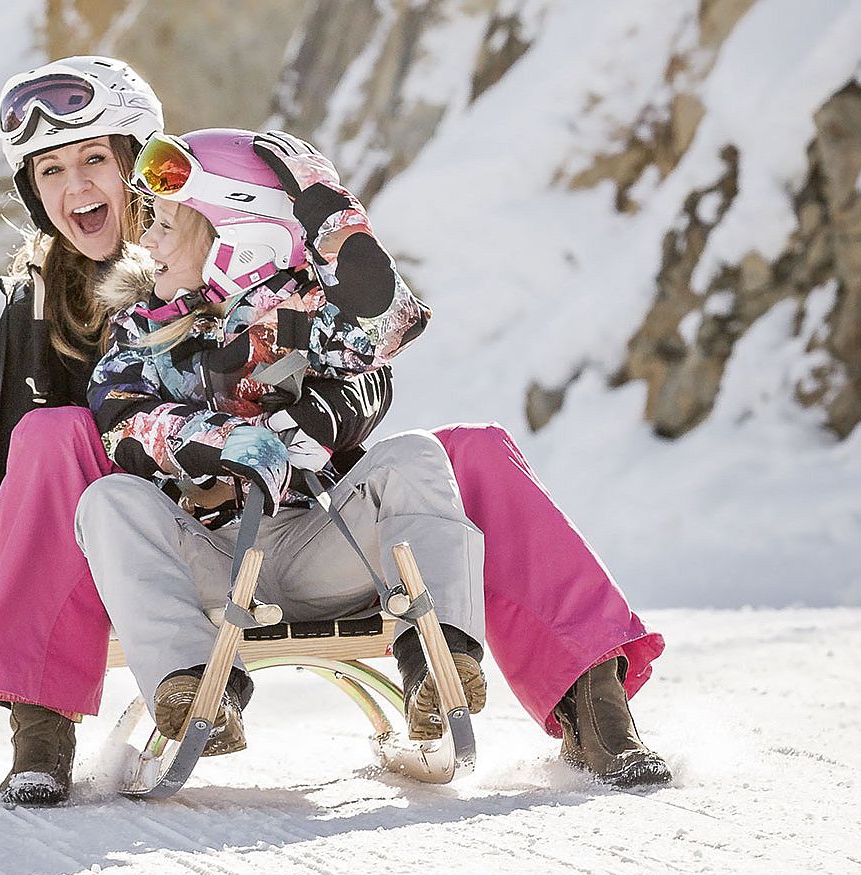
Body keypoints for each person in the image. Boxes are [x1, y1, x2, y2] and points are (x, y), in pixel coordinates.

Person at [78, 127, 674, 787]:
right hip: (208, 561)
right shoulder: (144, 330)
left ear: (235, 235)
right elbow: (122, 422)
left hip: (323, 548)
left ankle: (438, 665)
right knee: (108, 501)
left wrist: (332, 221)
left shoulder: (304, 314)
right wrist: (225, 441)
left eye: (165, 224)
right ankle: (195, 693)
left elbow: (390, 326)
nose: (147, 242)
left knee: (417, 458)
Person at [0, 58, 393, 806]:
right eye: (52, 171)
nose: (76, 189)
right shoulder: (36, 303)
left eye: (95, 159)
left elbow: (358, 352)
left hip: (286, 515)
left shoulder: (238, 246)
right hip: (132, 543)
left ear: (140, 165)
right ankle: (40, 727)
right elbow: (19, 488)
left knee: (466, 456)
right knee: (52, 434)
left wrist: (306, 428)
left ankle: (582, 695)